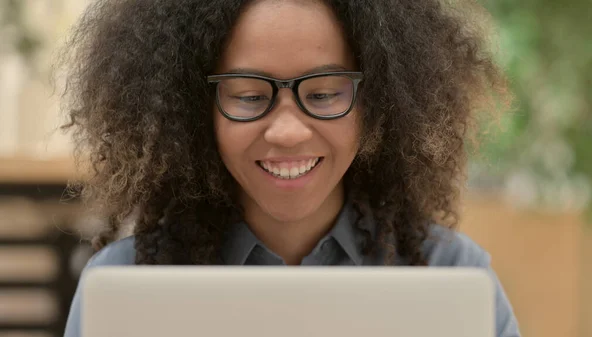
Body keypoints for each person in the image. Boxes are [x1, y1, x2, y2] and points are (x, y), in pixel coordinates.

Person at [60, 0, 520, 336]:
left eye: (323, 94)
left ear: (377, 103)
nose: (287, 132)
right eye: (249, 96)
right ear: (196, 111)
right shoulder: (124, 291)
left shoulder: (453, 277)